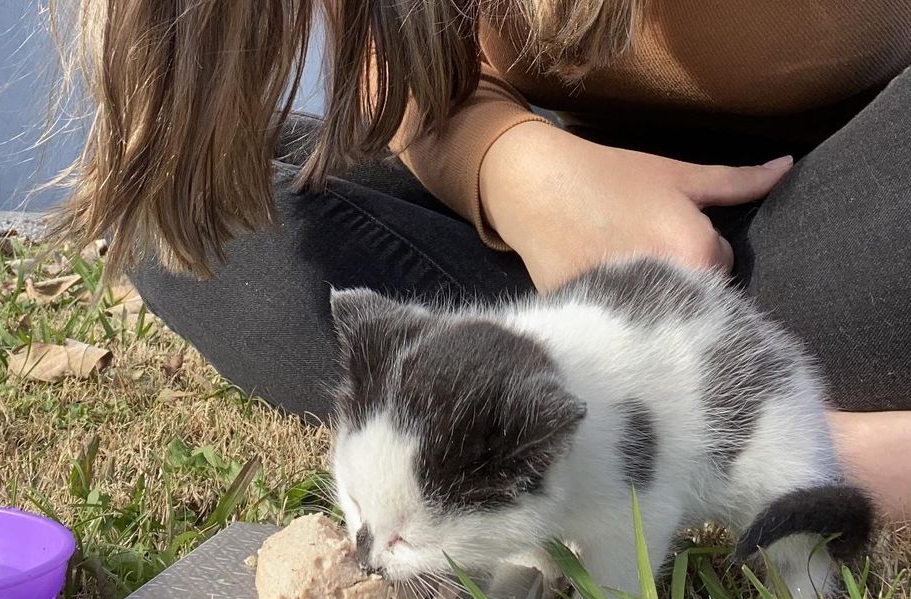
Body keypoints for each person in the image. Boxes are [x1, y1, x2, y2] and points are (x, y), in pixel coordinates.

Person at [46, 0, 911, 523]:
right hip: (577, 223)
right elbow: (410, 78)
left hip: (838, 212)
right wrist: (520, 174)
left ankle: (797, 444)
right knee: (189, 204)